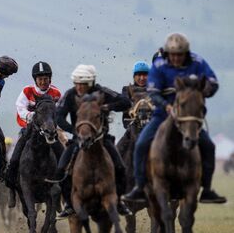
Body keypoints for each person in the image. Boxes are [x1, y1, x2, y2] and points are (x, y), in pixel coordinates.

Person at [123, 33, 227, 204]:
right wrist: (166, 105)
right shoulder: (159, 65)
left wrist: (200, 93)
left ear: (186, 53)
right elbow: (153, 93)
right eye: (173, 55)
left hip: (188, 116)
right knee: (141, 144)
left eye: (180, 54)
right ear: (168, 53)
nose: (176, 58)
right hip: (163, 114)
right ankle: (139, 188)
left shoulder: (197, 62)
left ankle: (207, 190)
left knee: (209, 145)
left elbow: (213, 82)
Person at [54, 65, 132, 219]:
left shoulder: (102, 92)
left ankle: (120, 201)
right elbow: (59, 117)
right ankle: (69, 205)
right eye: (76, 83)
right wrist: (73, 130)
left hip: (102, 139)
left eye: (82, 84)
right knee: (60, 170)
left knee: (121, 167)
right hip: (78, 140)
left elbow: (125, 102)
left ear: (91, 83)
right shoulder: (70, 95)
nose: (79, 87)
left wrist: (108, 106)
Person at [4, 61, 63, 188]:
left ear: (50, 79)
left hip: (49, 130)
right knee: (15, 156)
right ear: (35, 80)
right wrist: (32, 116)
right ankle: (11, 178)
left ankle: (65, 179)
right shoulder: (27, 91)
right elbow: (20, 107)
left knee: (62, 153)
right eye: (40, 79)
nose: (43, 82)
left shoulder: (56, 93)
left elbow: (58, 111)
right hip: (29, 129)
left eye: (45, 79)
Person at [116, 61, 151, 155]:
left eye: (145, 75)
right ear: (134, 76)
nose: (142, 78)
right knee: (118, 151)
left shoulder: (154, 90)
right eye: (139, 75)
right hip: (132, 128)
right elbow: (124, 103)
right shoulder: (126, 90)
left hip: (151, 127)